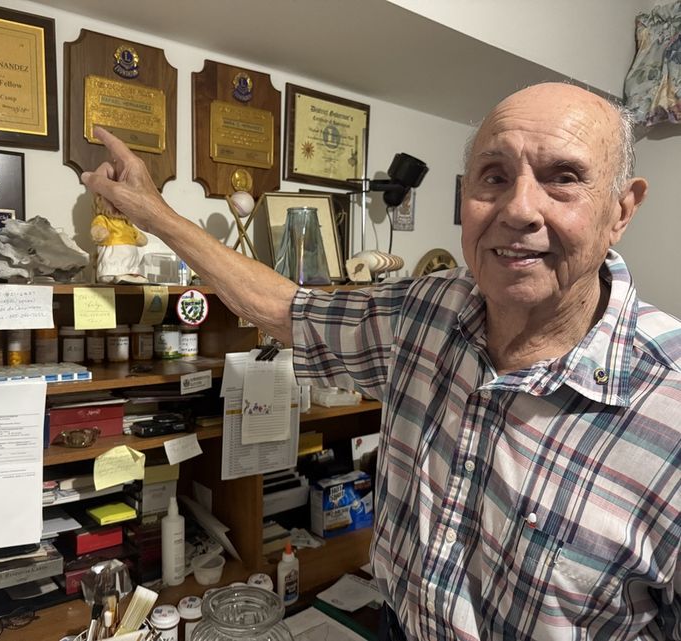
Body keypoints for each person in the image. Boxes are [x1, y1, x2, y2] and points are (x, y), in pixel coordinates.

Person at [81, 82, 681, 640]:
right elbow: (283, 308)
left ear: (621, 211)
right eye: (493, 176)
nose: (519, 209)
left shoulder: (669, 405)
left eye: (563, 178)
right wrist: (151, 211)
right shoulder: (424, 312)